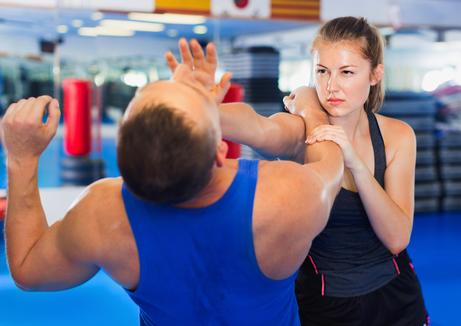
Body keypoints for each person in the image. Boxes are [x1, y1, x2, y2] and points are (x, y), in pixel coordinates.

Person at [2, 50, 344, 324]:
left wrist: (21, 157)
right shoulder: (289, 196)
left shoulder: (102, 214)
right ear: (221, 151)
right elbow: (330, 161)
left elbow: (28, 268)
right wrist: (310, 109)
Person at [167, 17, 428, 325]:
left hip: (396, 298)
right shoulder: (300, 129)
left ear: (375, 74)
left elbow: (397, 238)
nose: (331, 86)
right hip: (325, 305)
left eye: (346, 72)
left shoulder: (397, 136)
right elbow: (259, 128)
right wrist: (202, 108)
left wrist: (355, 164)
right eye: (322, 71)